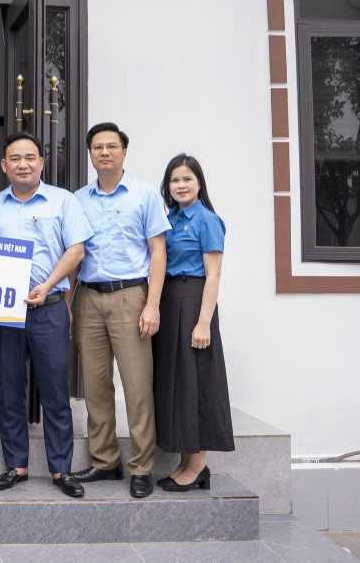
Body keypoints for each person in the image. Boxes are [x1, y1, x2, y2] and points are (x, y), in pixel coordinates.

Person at [0, 131, 91, 499]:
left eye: (30, 157)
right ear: (4, 165)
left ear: (42, 163)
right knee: (9, 389)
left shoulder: (63, 201)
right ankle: (16, 465)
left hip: (50, 307)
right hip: (4, 311)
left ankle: (61, 469)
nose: (23, 164)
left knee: (56, 391)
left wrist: (47, 286)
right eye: (15, 158)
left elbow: (76, 251)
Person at [72, 122, 171, 499]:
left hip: (131, 296)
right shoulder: (78, 199)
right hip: (89, 297)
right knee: (95, 385)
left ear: (124, 152)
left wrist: (152, 304)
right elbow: (74, 252)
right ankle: (105, 460)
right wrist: (68, 304)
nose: (105, 152)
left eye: (111, 146)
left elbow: (158, 251)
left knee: (137, 386)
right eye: (97, 147)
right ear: (90, 154)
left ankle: (141, 466)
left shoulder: (144, 195)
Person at [153, 153, 235, 492]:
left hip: (194, 301)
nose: (181, 185)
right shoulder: (168, 218)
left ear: (199, 183)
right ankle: (186, 461)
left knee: (196, 382)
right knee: (177, 383)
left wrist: (203, 323)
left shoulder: (207, 220)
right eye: (175, 180)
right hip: (170, 301)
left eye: (187, 178)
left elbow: (213, 274)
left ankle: (198, 464)